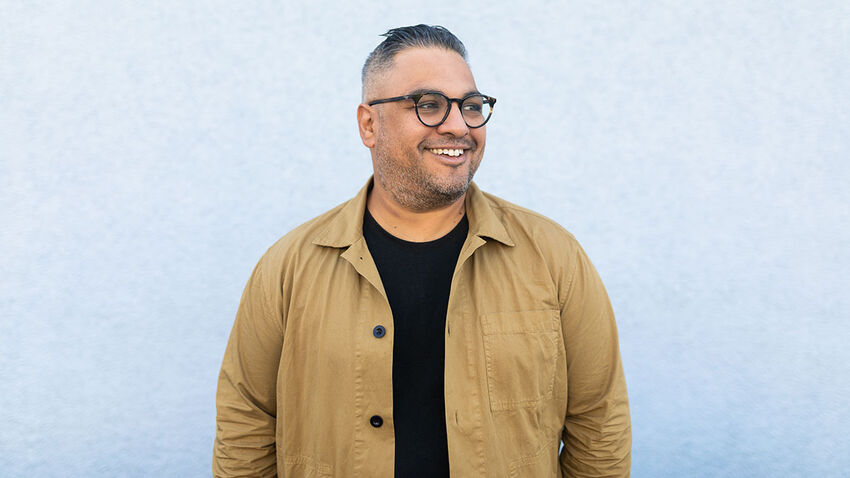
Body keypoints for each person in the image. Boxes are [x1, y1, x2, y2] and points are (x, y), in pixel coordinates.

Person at [213, 24, 631, 477]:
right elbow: (246, 425)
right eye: (428, 105)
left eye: (471, 106)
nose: (458, 125)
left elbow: (599, 423)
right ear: (369, 124)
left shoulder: (554, 258)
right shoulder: (288, 268)